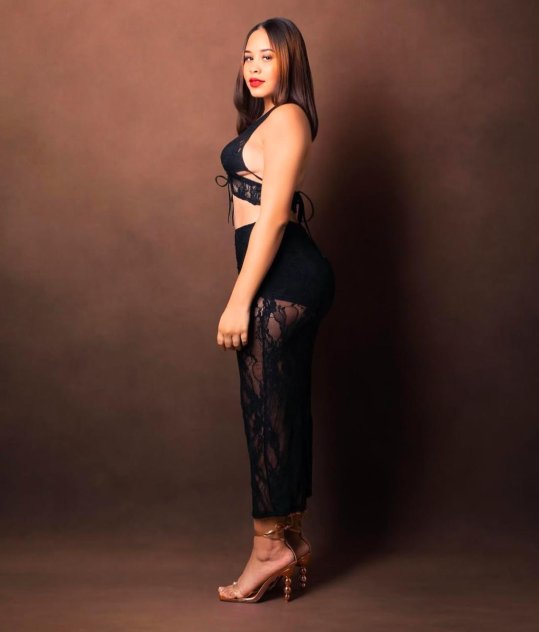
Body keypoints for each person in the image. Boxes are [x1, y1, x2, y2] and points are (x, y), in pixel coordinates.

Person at [214, 17, 335, 603]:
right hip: (283, 278)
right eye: (248, 56)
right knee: (279, 402)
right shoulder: (268, 119)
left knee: (263, 406)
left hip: (286, 279)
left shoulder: (288, 116)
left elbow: (275, 215)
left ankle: (268, 549)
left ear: (291, 61)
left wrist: (240, 300)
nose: (254, 66)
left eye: (267, 55)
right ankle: (287, 535)